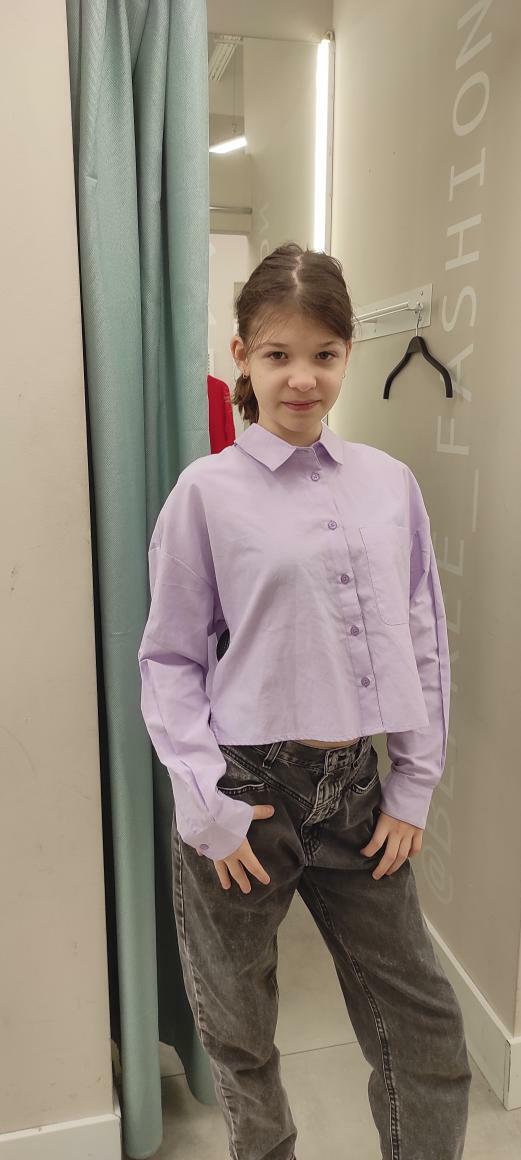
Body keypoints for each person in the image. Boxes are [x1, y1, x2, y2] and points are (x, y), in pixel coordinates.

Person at [138, 243, 472, 1160]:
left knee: (425, 1031)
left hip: (356, 793)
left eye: (323, 354)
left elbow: (421, 638)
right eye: (277, 354)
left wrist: (412, 784)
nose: (301, 378)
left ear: (347, 355)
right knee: (241, 1037)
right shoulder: (205, 494)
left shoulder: (387, 484)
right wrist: (206, 804)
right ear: (241, 356)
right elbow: (168, 658)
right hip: (243, 794)